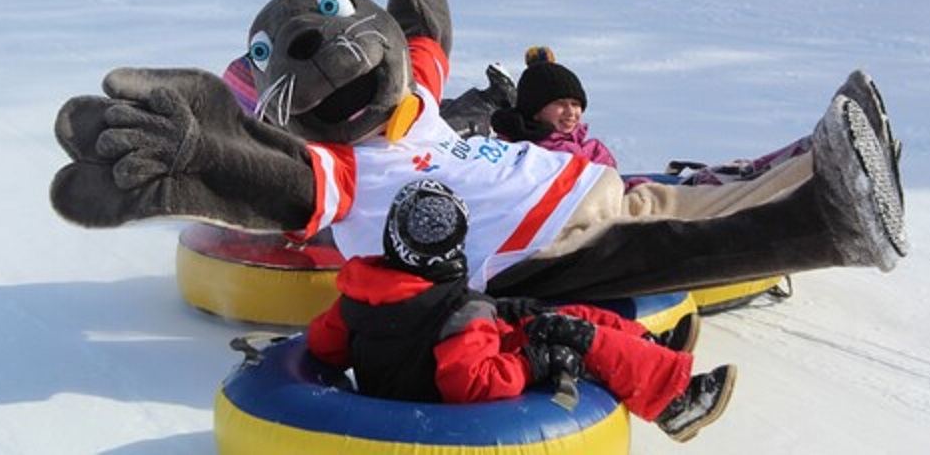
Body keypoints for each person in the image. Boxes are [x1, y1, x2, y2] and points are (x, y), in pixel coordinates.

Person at [307, 179, 737, 443]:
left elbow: (325, 347)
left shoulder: (356, 300)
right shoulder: (460, 311)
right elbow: (472, 385)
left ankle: (647, 351)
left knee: (561, 314)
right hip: (447, 411)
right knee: (571, 334)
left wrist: (497, 312)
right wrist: (535, 362)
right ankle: (674, 404)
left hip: (424, 375)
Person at [491, 46, 617, 167]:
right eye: (560, 104)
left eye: (575, 104)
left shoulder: (593, 152)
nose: (571, 112)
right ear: (535, 110)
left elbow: (616, 185)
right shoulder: (510, 151)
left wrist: (635, 188)